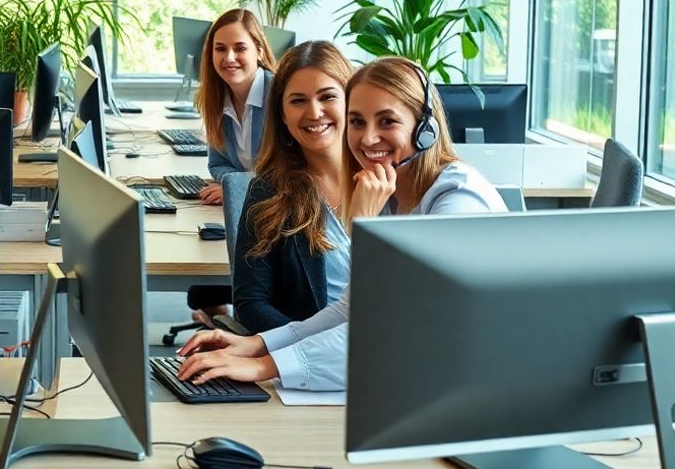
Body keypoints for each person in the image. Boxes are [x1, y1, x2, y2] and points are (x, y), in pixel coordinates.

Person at [177, 56, 506, 391]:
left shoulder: (458, 202)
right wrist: (259, 345)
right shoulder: (390, 197)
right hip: (425, 384)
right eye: (357, 122)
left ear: (426, 128)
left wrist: (263, 366)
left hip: (479, 389)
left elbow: (395, 328)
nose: (368, 138)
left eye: (387, 121)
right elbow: (352, 309)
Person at [231, 41, 355, 334]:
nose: (315, 112)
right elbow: (250, 303)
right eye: (298, 101)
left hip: (388, 345)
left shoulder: (388, 180)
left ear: (352, 102)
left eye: (327, 97)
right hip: (308, 352)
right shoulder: (269, 190)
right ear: (283, 115)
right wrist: (308, 342)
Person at [194, 8, 278, 206]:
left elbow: (293, 171)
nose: (229, 58)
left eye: (240, 48)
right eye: (220, 49)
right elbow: (218, 163)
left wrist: (238, 188)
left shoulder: (279, 95)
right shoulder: (215, 97)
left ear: (259, 51)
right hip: (248, 210)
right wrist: (234, 186)